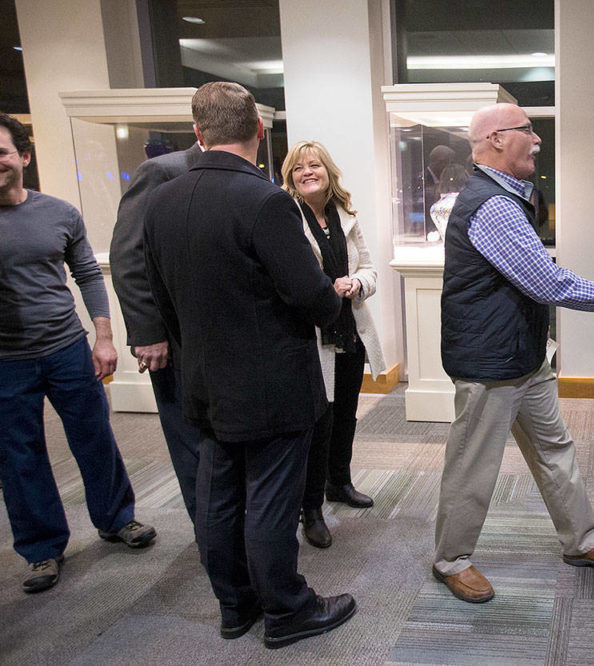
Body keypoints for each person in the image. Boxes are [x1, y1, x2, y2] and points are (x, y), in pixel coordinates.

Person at [143, 82, 356, 648]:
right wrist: (334, 298)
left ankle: (235, 607)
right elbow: (312, 297)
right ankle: (287, 612)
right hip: (273, 386)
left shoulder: (159, 200)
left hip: (204, 380)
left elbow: (160, 299)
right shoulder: (266, 201)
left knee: (217, 498)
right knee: (269, 499)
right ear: (260, 131)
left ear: (198, 132)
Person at [433, 102, 594, 604]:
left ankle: (582, 541)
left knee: (555, 450)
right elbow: (545, 281)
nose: (538, 138)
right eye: (528, 129)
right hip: (490, 365)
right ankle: (451, 560)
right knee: (473, 467)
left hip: (523, 359)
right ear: (496, 139)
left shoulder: (510, 197)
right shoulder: (492, 205)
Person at [0, 111, 157, 595]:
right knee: (19, 455)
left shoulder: (59, 213)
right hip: (6, 361)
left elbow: (88, 274)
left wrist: (104, 337)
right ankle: (42, 548)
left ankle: (116, 518)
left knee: (93, 436)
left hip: (66, 347)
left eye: (2, 152)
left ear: (22, 156)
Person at [280, 140, 387, 548]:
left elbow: (371, 269)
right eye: (298, 168)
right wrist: (326, 288)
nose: (307, 172)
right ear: (290, 177)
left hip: (350, 331)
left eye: (314, 166)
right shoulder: (287, 217)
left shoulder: (346, 216)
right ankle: (311, 509)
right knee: (318, 425)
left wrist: (357, 283)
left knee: (345, 416)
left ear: (328, 173)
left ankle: (338, 483)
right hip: (313, 338)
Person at [110, 141, 203, 526]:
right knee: (191, 446)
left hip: (221, 339)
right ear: (200, 128)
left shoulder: (243, 173)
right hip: (175, 342)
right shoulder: (162, 172)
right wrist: (148, 332)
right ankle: (212, 540)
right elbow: (128, 256)